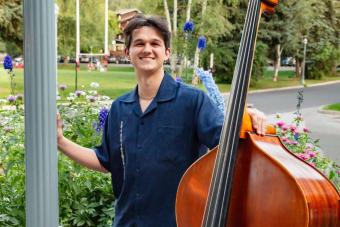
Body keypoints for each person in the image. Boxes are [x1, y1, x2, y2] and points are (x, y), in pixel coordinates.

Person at [57, 14, 267, 227]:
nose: (147, 49)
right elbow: (105, 161)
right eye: (139, 43)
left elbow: (229, 141)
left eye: (155, 43)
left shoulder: (192, 101)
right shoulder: (120, 108)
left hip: (179, 222)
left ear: (166, 53)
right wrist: (61, 141)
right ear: (128, 52)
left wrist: (248, 116)